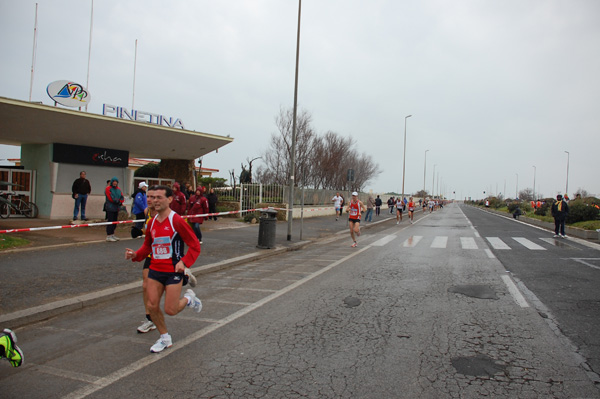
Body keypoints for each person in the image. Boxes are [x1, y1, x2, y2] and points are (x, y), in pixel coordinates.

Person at [125, 185, 202, 353]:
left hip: (173, 271)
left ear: (169, 199)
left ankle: (189, 299)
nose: (154, 201)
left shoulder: (177, 221)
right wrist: (135, 255)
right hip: (155, 270)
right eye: (152, 197)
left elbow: (195, 245)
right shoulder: (151, 223)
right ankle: (164, 338)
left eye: (159, 197)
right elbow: (147, 247)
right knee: (152, 306)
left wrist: (184, 262)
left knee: (170, 310)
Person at [105, 177, 124, 242]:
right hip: (110, 207)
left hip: (116, 207)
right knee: (110, 221)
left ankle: (112, 234)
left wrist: (120, 201)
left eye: (116, 182)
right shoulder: (108, 189)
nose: (115, 183)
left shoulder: (118, 189)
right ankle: (109, 235)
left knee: (115, 221)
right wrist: (116, 201)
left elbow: (122, 196)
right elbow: (110, 197)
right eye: (114, 182)